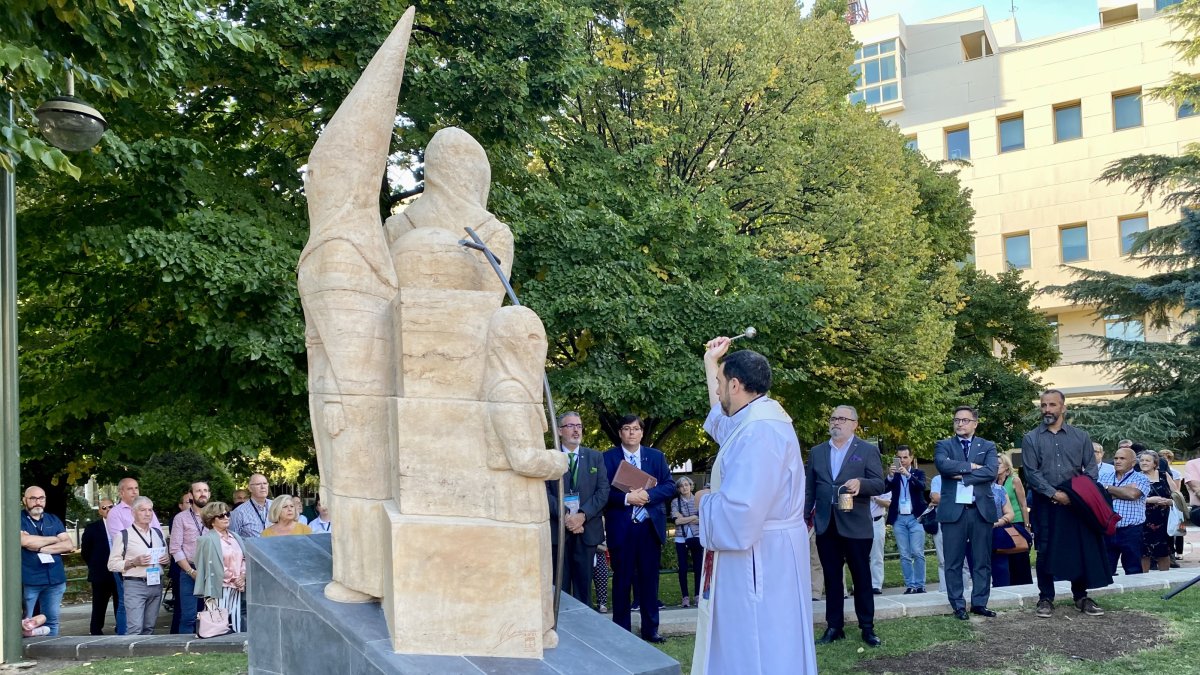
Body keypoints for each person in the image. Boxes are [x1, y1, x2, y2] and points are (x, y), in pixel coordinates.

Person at [692, 337, 815, 674]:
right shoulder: (756, 418)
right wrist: (710, 363)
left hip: (759, 558)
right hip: (767, 552)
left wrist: (703, 501)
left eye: (719, 383)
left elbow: (740, 514)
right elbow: (720, 424)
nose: (716, 392)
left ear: (735, 384)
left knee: (760, 642)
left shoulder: (760, 431)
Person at [1022, 389, 1110, 618]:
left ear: (1063, 407)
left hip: (1076, 503)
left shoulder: (1080, 436)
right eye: (1043, 405)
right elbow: (1032, 474)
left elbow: (1090, 470)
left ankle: (1081, 596)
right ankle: (1045, 598)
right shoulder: (1031, 438)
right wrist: (1054, 494)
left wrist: (1076, 495)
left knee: (1079, 548)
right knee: (1044, 549)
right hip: (1045, 502)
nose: (1047, 410)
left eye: (1052, 405)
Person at [807, 404, 886, 648]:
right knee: (832, 579)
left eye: (842, 418)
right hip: (826, 524)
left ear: (854, 423)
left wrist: (861, 483)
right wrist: (803, 518)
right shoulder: (818, 452)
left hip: (856, 525)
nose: (836, 423)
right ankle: (834, 627)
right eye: (833, 418)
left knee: (861, 578)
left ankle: (867, 627)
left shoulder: (866, 450)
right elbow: (810, 488)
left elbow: (879, 484)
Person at [603, 414, 675, 643]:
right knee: (622, 581)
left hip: (649, 528)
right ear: (620, 433)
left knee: (649, 581)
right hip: (622, 528)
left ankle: (650, 630)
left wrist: (647, 495)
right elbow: (603, 493)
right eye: (626, 428)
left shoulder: (655, 457)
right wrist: (627, 499)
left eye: (636, 429)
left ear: (642, 433)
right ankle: (621, 631)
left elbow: (669, 486)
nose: (631, 433)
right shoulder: (607, 458)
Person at [935, 406, 999, 620]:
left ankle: (980, 603)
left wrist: (962, 476)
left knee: (982, 561)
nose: (960, 424)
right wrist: (972, 466)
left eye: (964, 420)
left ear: (975, 423)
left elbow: (991, 471)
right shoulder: (943, 445)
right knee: (953, 561)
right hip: (954, 512)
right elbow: (944, 466)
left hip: (980, 511)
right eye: (957, 420)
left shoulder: (987, 446)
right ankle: (958, 605)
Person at [547, 411, 610, 608]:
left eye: (579, 426)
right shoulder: (549, 458)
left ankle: (586, 631)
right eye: (570, 426)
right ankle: (562, 632)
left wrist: (582, 516)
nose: (576, 430)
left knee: (584, 589)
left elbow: (603, 491)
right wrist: (567, 516)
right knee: (560, 589)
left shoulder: (595, 457)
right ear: (559, 431)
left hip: (587, 532)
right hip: (559, 533)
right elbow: (543, 493)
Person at [105, 477, 162, 635]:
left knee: (149, 626)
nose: (134, 491)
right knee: (134, 624)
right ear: (121, 492)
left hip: (154, 579)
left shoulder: (156, 532)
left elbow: (159, 544)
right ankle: (124, 641)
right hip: (133, 579)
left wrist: (165, 559)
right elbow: (115, 560)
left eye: (136, 488)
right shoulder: (117, 517)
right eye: (130, 489)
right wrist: (134, 561)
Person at [19, 486, 72, 636]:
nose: (38, 502)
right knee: (25, 621)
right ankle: (24, 650)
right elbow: (25, 541)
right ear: (25, 500)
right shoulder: (18, 519)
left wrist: (40, 547)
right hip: (29, 579)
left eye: (41, 498)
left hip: (55, 579)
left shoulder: (53, 519)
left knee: (52, 620)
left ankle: (51, 647)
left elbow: (68, 544)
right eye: (33, 498)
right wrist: (55, 539)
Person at [193, 501, 248, 633]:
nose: (226, 518)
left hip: (236, 587)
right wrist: (234, 578)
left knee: (235, 621)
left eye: (227, 514)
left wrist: (242, 576)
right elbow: (205, 565)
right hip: (218, 587)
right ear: (211, 520)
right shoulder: (206, 539)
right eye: (221, 516)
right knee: (218, 624)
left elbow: (244, 559)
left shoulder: (236, 537)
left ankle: (236, 650)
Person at [1098, 447, 1149, 576]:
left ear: (1132, 462)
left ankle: (1135, 595)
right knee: (1105, 569)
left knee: (1133, 569)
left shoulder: (1141, 478)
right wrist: (1122, 491)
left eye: (1122, 458)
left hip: (1131, 531)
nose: (1117, 461)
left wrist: (1107, 489)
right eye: (1116, 458)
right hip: (1107, 530)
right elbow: (1097, 498)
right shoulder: (1103, 477)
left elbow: (1132, 495)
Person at [885, 445, 927, 594]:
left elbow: (922, 486)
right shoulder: (894, 475)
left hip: (915, 517)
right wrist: (890, 476)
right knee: (904, 554)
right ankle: (910, 585)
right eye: (899, 457)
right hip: (899, 518)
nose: (902, 461)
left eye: (905, 457)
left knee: (917, 551)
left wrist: (908, 476)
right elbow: (884, 489)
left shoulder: (918, 472)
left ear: (911, 458)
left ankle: (920, 585)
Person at [170, 481, 210, 634]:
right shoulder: (180, 518)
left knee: (213, 613)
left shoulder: (216, 516)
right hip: (189, 570)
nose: (202, 493)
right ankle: (184, 652)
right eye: (198, 490)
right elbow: (175, 548)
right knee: (188, 616)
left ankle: (211, 647)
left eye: (205, 490)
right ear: (191, 495)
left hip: (212, 569)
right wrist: (191, 572)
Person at [81, 499, 118, 635]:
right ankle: (96, 630)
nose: (108, 509)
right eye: (104, 507)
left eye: (111, 506)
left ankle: (121, 627)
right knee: (99, 605)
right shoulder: (92, 528)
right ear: (100, 511)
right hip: (100, 573)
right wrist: (94, 565)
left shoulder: (122, 525)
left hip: (118, 571)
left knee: (120, 603)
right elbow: (86, 551)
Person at [994, 454, 1032, 586]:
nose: (996, 466)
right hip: (1000, 523)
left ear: (1006, 466)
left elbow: (1023, 504)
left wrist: (1027, 526)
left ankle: (1024, 584)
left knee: (1019, 555)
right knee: (1004, 556)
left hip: (1016, 522)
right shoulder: (992, 483)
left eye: (999, 463)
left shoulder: (1014, 480)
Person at [1139, 450, 1175, 573]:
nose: (1144, 463)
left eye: (1147, 460)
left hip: (1164, 519)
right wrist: (1149, 500)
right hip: (1143, 520)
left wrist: (1169, 502)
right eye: (1142, 460)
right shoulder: (1136, 476)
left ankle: (1165, 579)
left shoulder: (1164, 475)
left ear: (1155, 463)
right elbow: (1130, 497)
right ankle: (1144, 581)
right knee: (1144, 552)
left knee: (1164, 551)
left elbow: (1176, 496)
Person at [670, 477, 703, 608]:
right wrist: (694, 517)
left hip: (697, 536)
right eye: (682, 486)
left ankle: (697, 595)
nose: (685, 487)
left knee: (698, 567)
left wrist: (685, 518)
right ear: (678, 489)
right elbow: (677, 521)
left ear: (691, 486)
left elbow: (702, 519)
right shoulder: (675, 502)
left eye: (687, 485)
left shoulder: (698, 500)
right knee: (682, 568)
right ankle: (685, 597)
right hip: (681, 538)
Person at [988, 481, 1017, 586]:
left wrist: (997, 522)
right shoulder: (968, 487)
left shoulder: (999, 489)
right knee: (978, 569)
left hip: (997, 533)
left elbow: (1010, 513)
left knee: (1001, 570)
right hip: (975, 535)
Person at [229, 474, 272, 539]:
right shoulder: (238, 512)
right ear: (250, 488)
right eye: (258, 484)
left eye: (265, 483)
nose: (263, 487)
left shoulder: (277, 506)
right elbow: (233, 540)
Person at [868, 491, 890, 595]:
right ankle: (861, 584)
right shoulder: (855, 483)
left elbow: (887, 503)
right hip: (860, 522)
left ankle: (876, 585)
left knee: (877, 554)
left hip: (876, 521)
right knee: (859, 556)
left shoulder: (882, 485)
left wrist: (874, 498)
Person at [593, 541, 611, 613]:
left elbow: (604, 548)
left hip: (599, 554)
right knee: (584, 581)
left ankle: (602, 603)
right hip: (584, 552)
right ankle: (585, 602)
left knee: (602, 577)